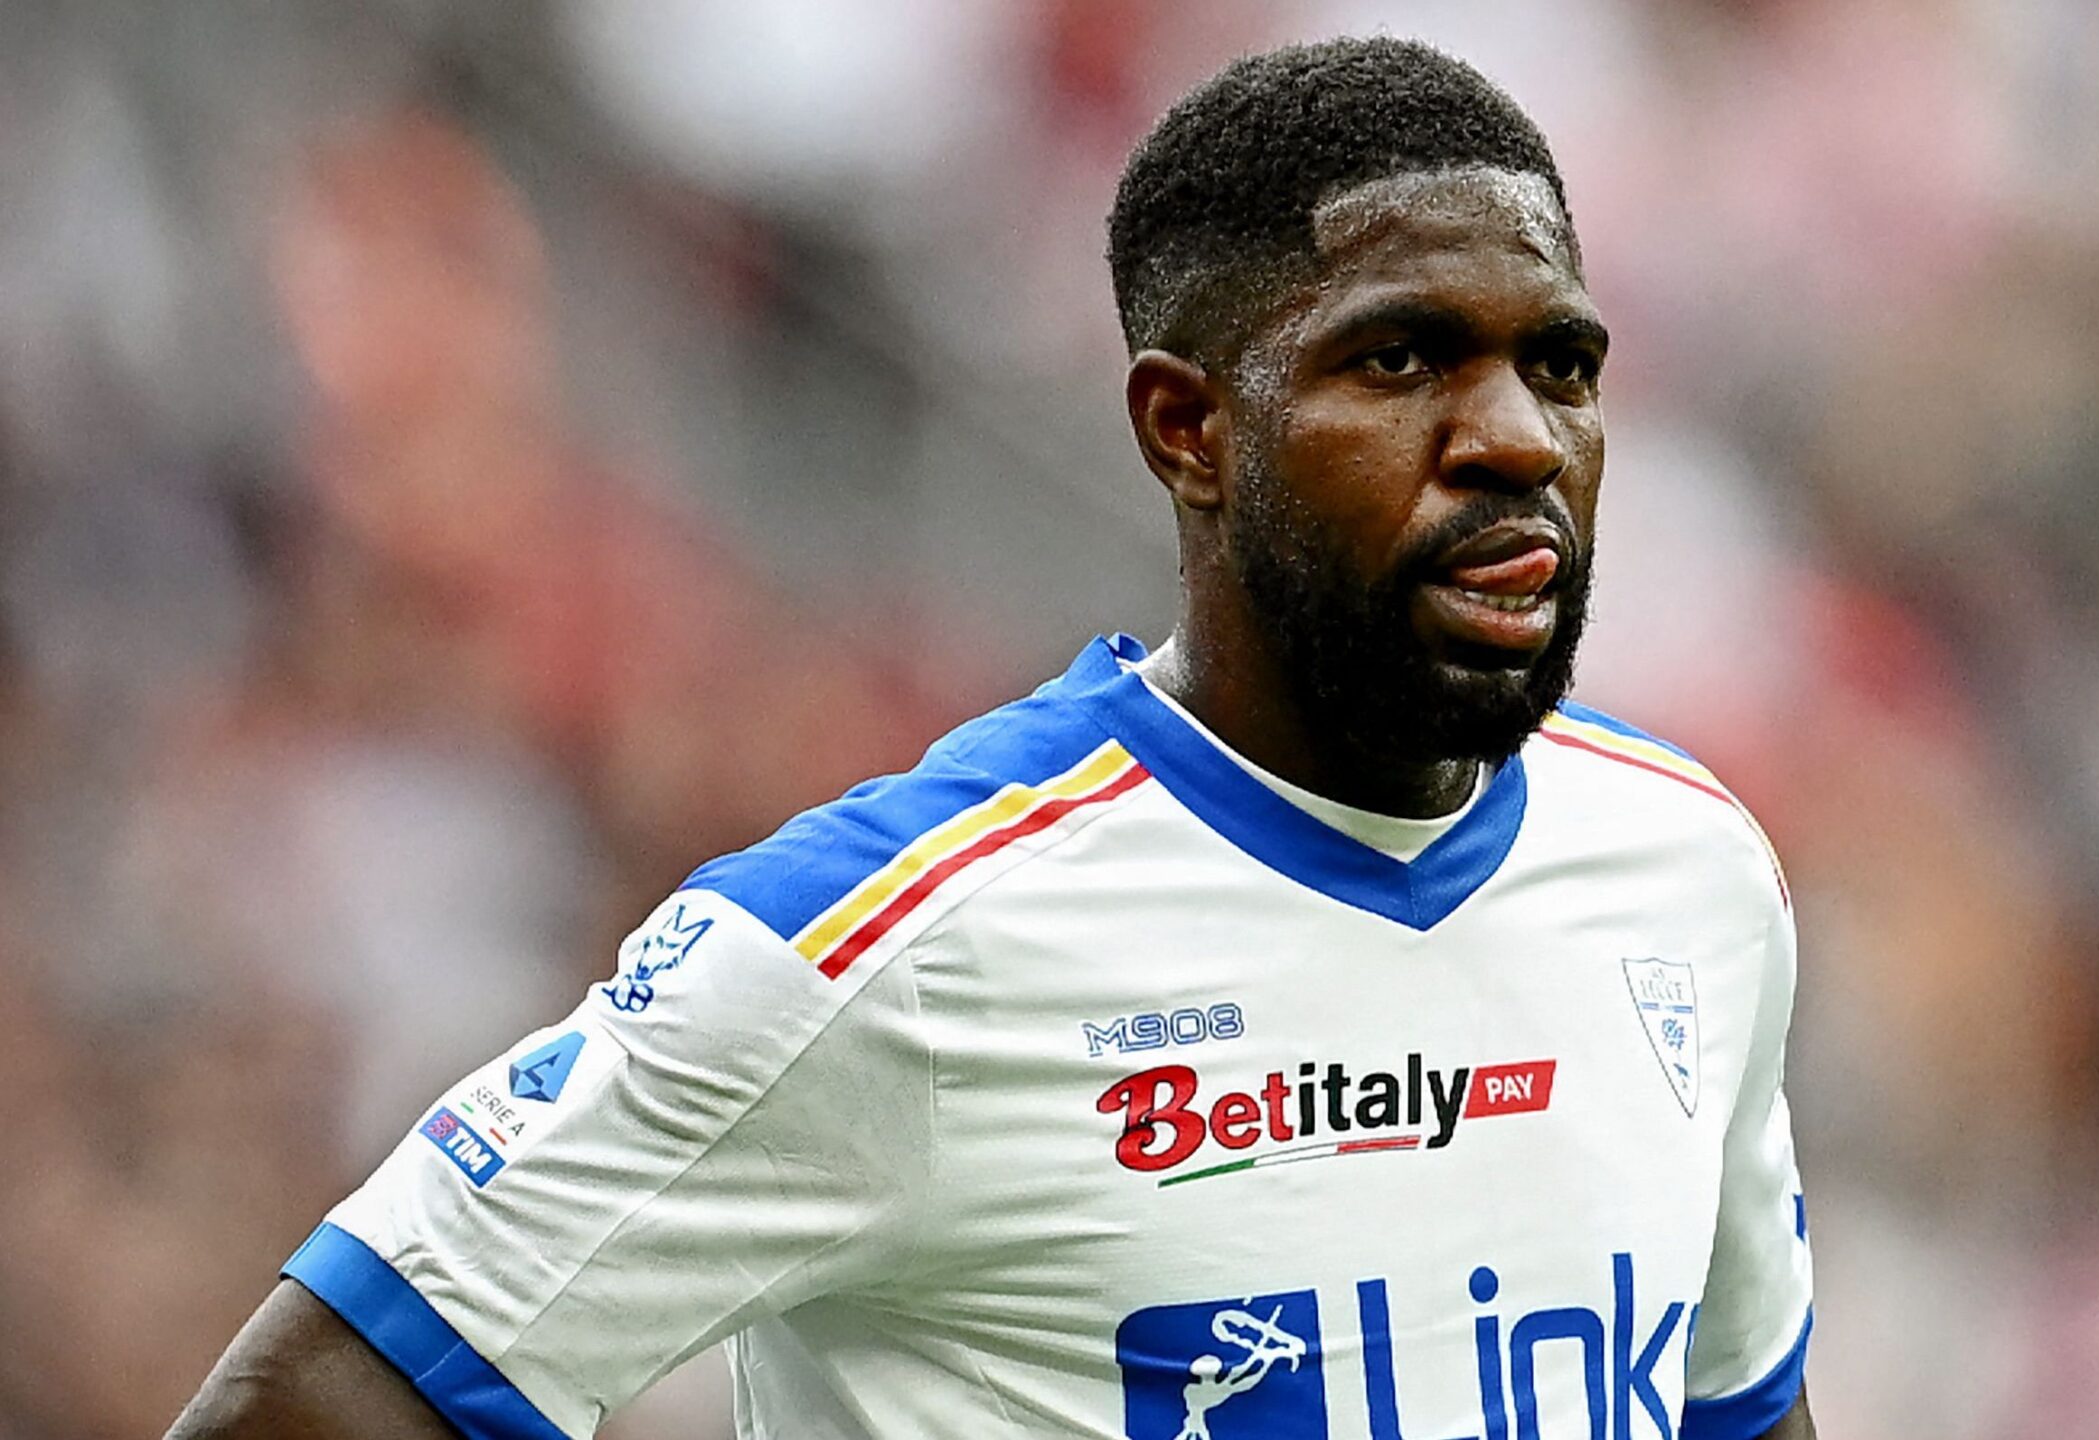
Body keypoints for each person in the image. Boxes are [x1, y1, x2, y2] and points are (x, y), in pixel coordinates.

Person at [169, 36, 1816, 1440]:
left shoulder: (1689, 871)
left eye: (1561, 363)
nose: (1518, 439)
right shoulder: (891, 946)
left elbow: (1743, 1405)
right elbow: (322, 1393)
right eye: (1401, 359)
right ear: (1188, 430)